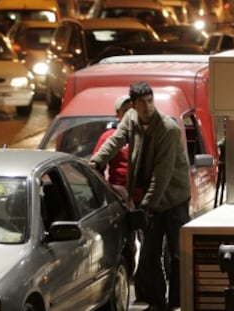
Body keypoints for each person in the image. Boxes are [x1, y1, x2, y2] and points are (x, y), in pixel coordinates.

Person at [90, 81, 191, 311]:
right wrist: (98, 160)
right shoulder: (131, 120)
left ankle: (178, 301)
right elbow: (115, 140)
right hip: (150, 200)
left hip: (174, 199)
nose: (147, 107)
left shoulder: (167, 128)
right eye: (142, 103)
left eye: (150, 101)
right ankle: (158, 302)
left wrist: (146, 205)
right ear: (133, 105)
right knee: (149, 253)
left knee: (178, 253)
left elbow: (161, 174)